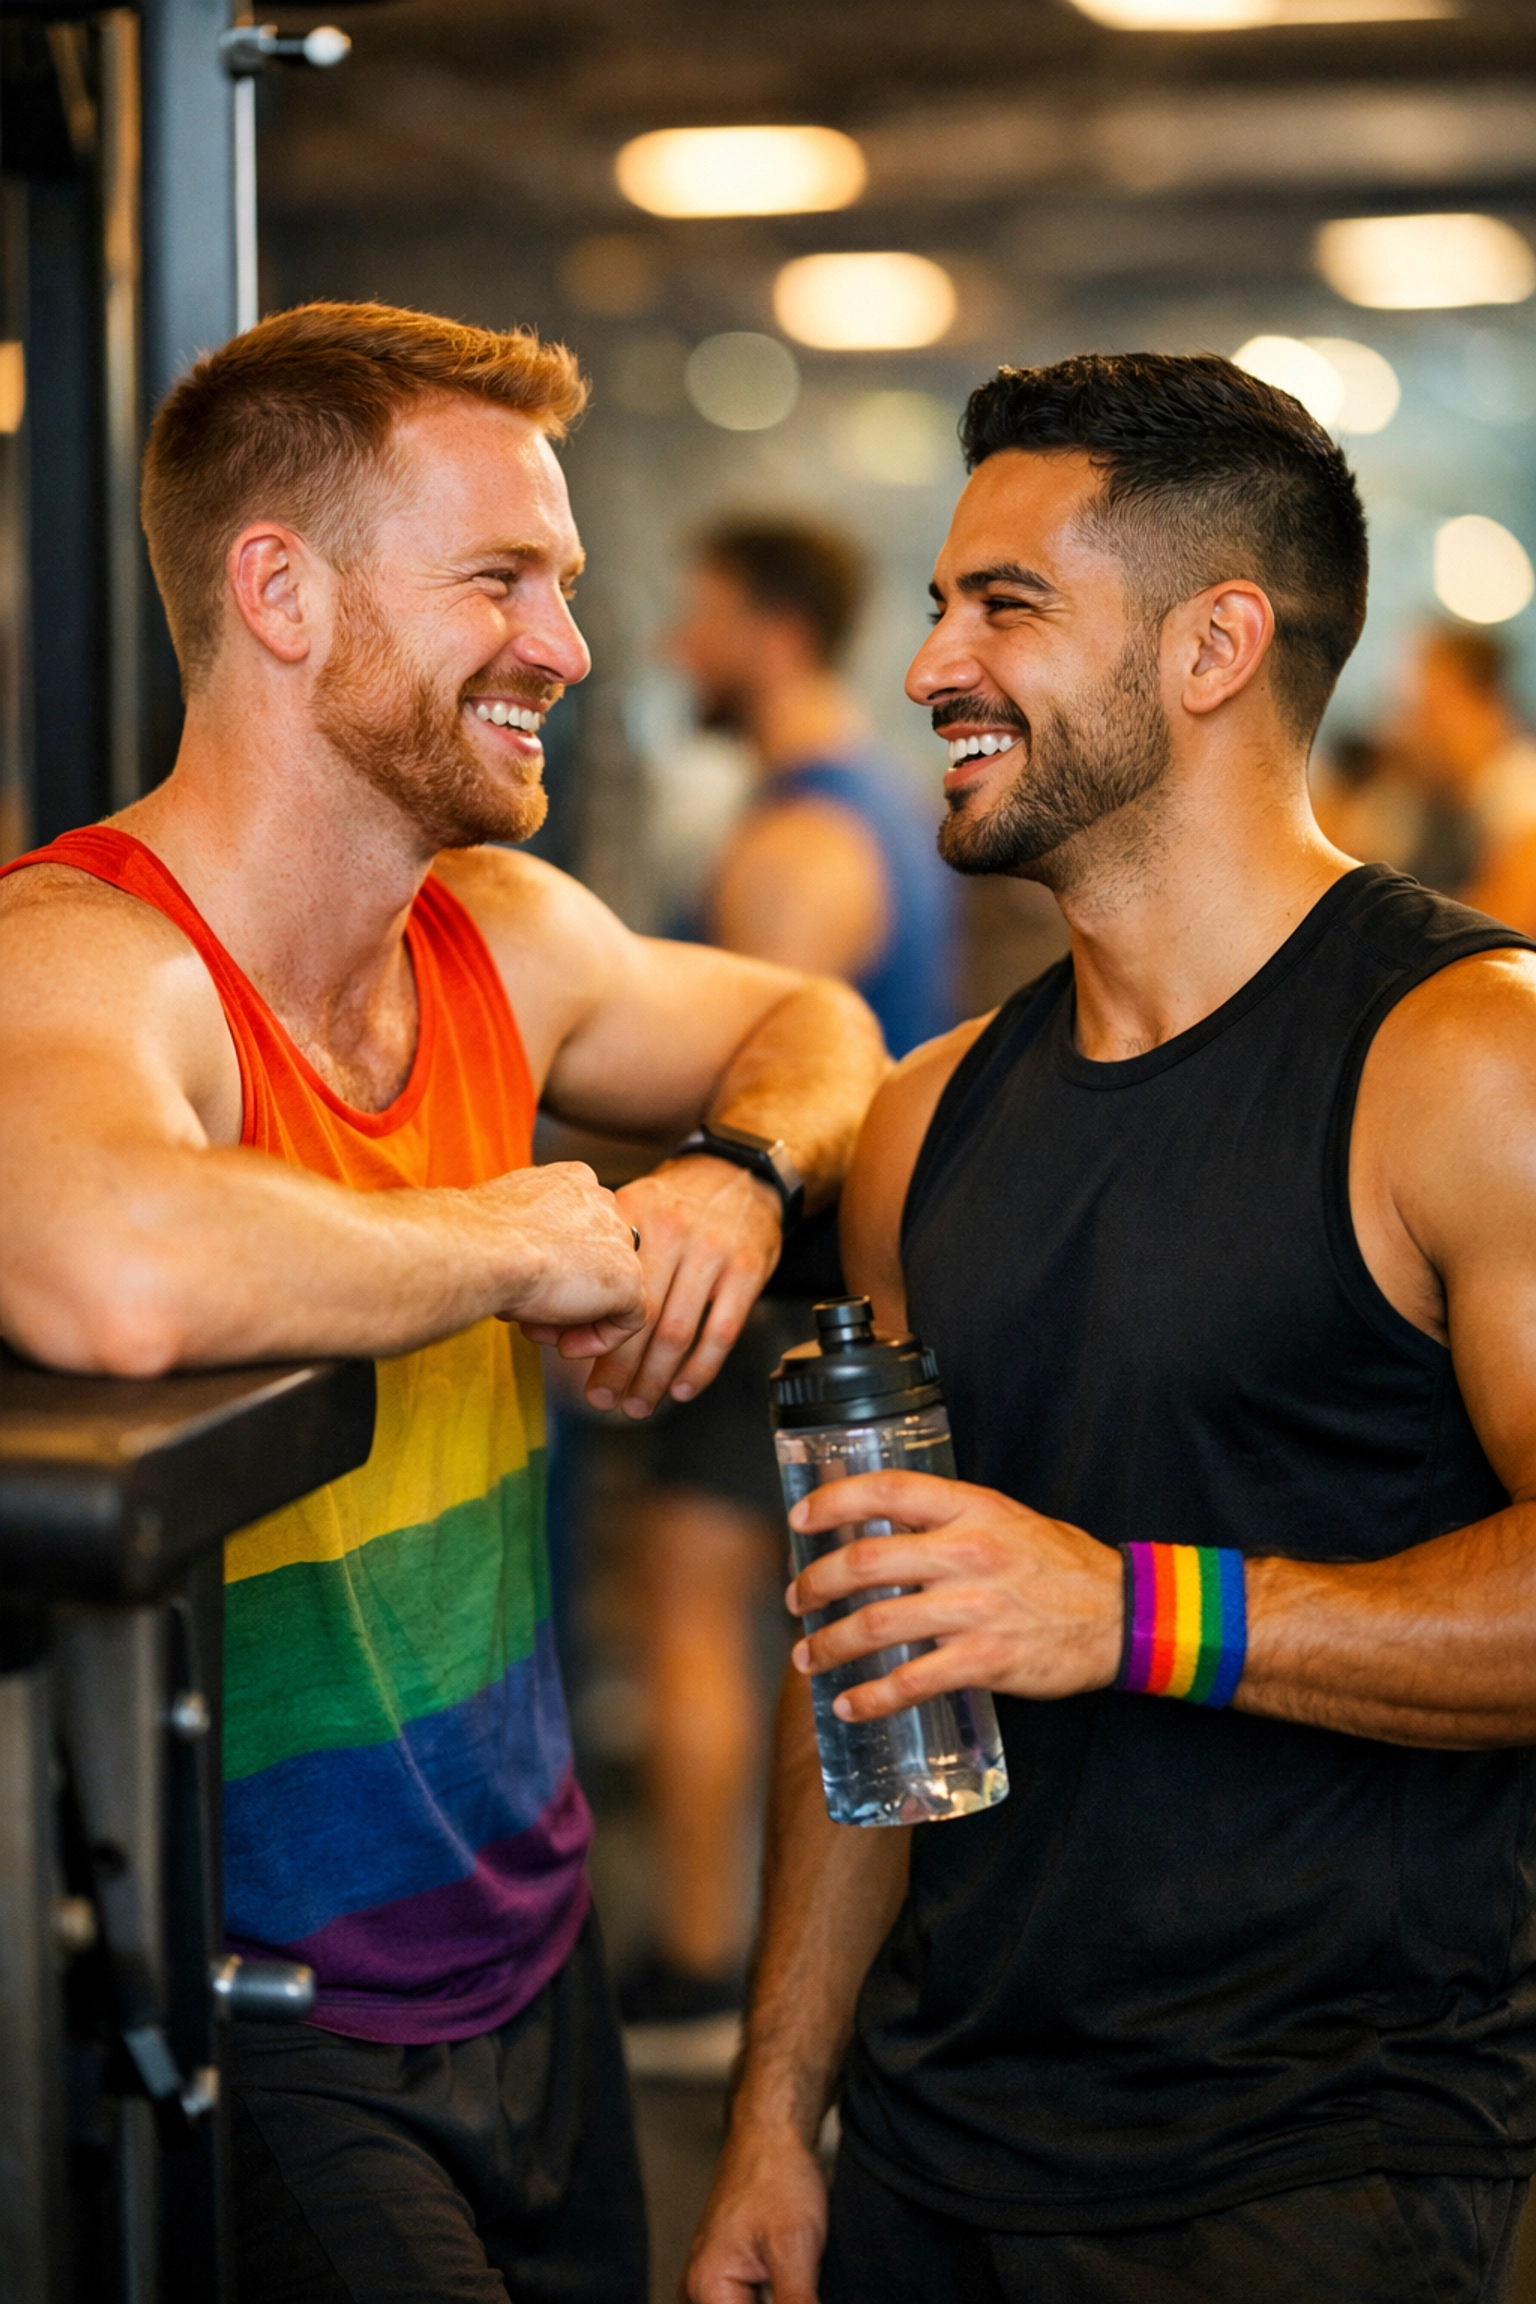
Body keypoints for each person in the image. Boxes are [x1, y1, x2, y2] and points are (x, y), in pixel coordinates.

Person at [0, 300, 888, 2303]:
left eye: (562, 587)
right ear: (280, 593)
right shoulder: (83, 962)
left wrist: (738, 1184)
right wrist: (527, 1236)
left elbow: (805, 1020)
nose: (567, 650)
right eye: (500, 580)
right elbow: (109, 1263)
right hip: (278, 2019)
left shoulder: (500, 933)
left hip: (541, 1963)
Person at [687, 352, 1536, 2304]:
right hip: (928, 2148)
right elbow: (878, 1660)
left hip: (1312, 2163)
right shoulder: (924, 1121)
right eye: (934, 608)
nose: (930, 672)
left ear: (1215, 644)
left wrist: (1132, 1611)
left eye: (1006, 607)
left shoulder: (1464, 1063)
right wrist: (769, 2118)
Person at [619, 520, 958, 2030]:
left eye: (698, 615)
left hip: (777, 1291)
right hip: (813, 1292)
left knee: (702, 1612)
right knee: (801, 1623)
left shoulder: (797, 844)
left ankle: (703, 1956)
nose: (677, 649)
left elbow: (759, 1104)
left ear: (766, 628)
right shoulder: (862, 804)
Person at [1394, 623, 1536, 901]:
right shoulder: (1441, 796)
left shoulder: (1519, 784)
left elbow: (1511, 912)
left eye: (1434, 704)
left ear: (1485, 701)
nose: (1420, 725)